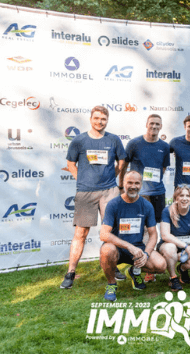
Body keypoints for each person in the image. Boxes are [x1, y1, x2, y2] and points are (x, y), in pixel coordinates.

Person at [60, 105, 127, 289]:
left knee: (112, 233)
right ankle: (71, 272)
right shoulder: (79, 141)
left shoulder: (113, 140)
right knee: (80, 234)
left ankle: (113, 268)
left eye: (103, 119)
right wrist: (80, 180)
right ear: (91, 119)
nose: (100, 122)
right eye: (96, 118)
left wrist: (112, 177)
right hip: (85, 192)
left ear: (107, 121)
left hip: (109, 192)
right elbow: (70, 163)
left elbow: (122, 161)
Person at [99, 171, 167, 301]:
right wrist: (129, 246)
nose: (133, 186)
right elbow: (103, 234)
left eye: (137, 183)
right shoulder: (113, 204)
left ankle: (134, 271)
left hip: (138, 249)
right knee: (107, 250)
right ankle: (111, 284)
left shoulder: (146, 205)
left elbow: (153, 235)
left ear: (141, 185)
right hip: (117, 249)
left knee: (161, 265)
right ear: (123, 183)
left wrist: (146, 254)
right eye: (130, 182)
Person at [122, 114, 171, 282]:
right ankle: (143, 266)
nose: (154, 126)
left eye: (157, 124)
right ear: (146, 124)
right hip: (140, 194)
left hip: (158, 192)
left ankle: (153, 263)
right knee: (141, 230)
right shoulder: (134, 143)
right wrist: (122, 186)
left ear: (161, 126)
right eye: (151, 123)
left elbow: (163, 168)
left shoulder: (164, 146)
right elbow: (124, 165)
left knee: (154, 229)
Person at [158, 187, 190, 292]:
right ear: (176, 198)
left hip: (187, 246)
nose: (184, 198)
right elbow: (165, 235)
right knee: (170, 247)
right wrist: (185, 246)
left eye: (187, 196)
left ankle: (182, 269)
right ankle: (173, 278)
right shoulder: (167, 211)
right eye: (181, 195)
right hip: (168, 245)